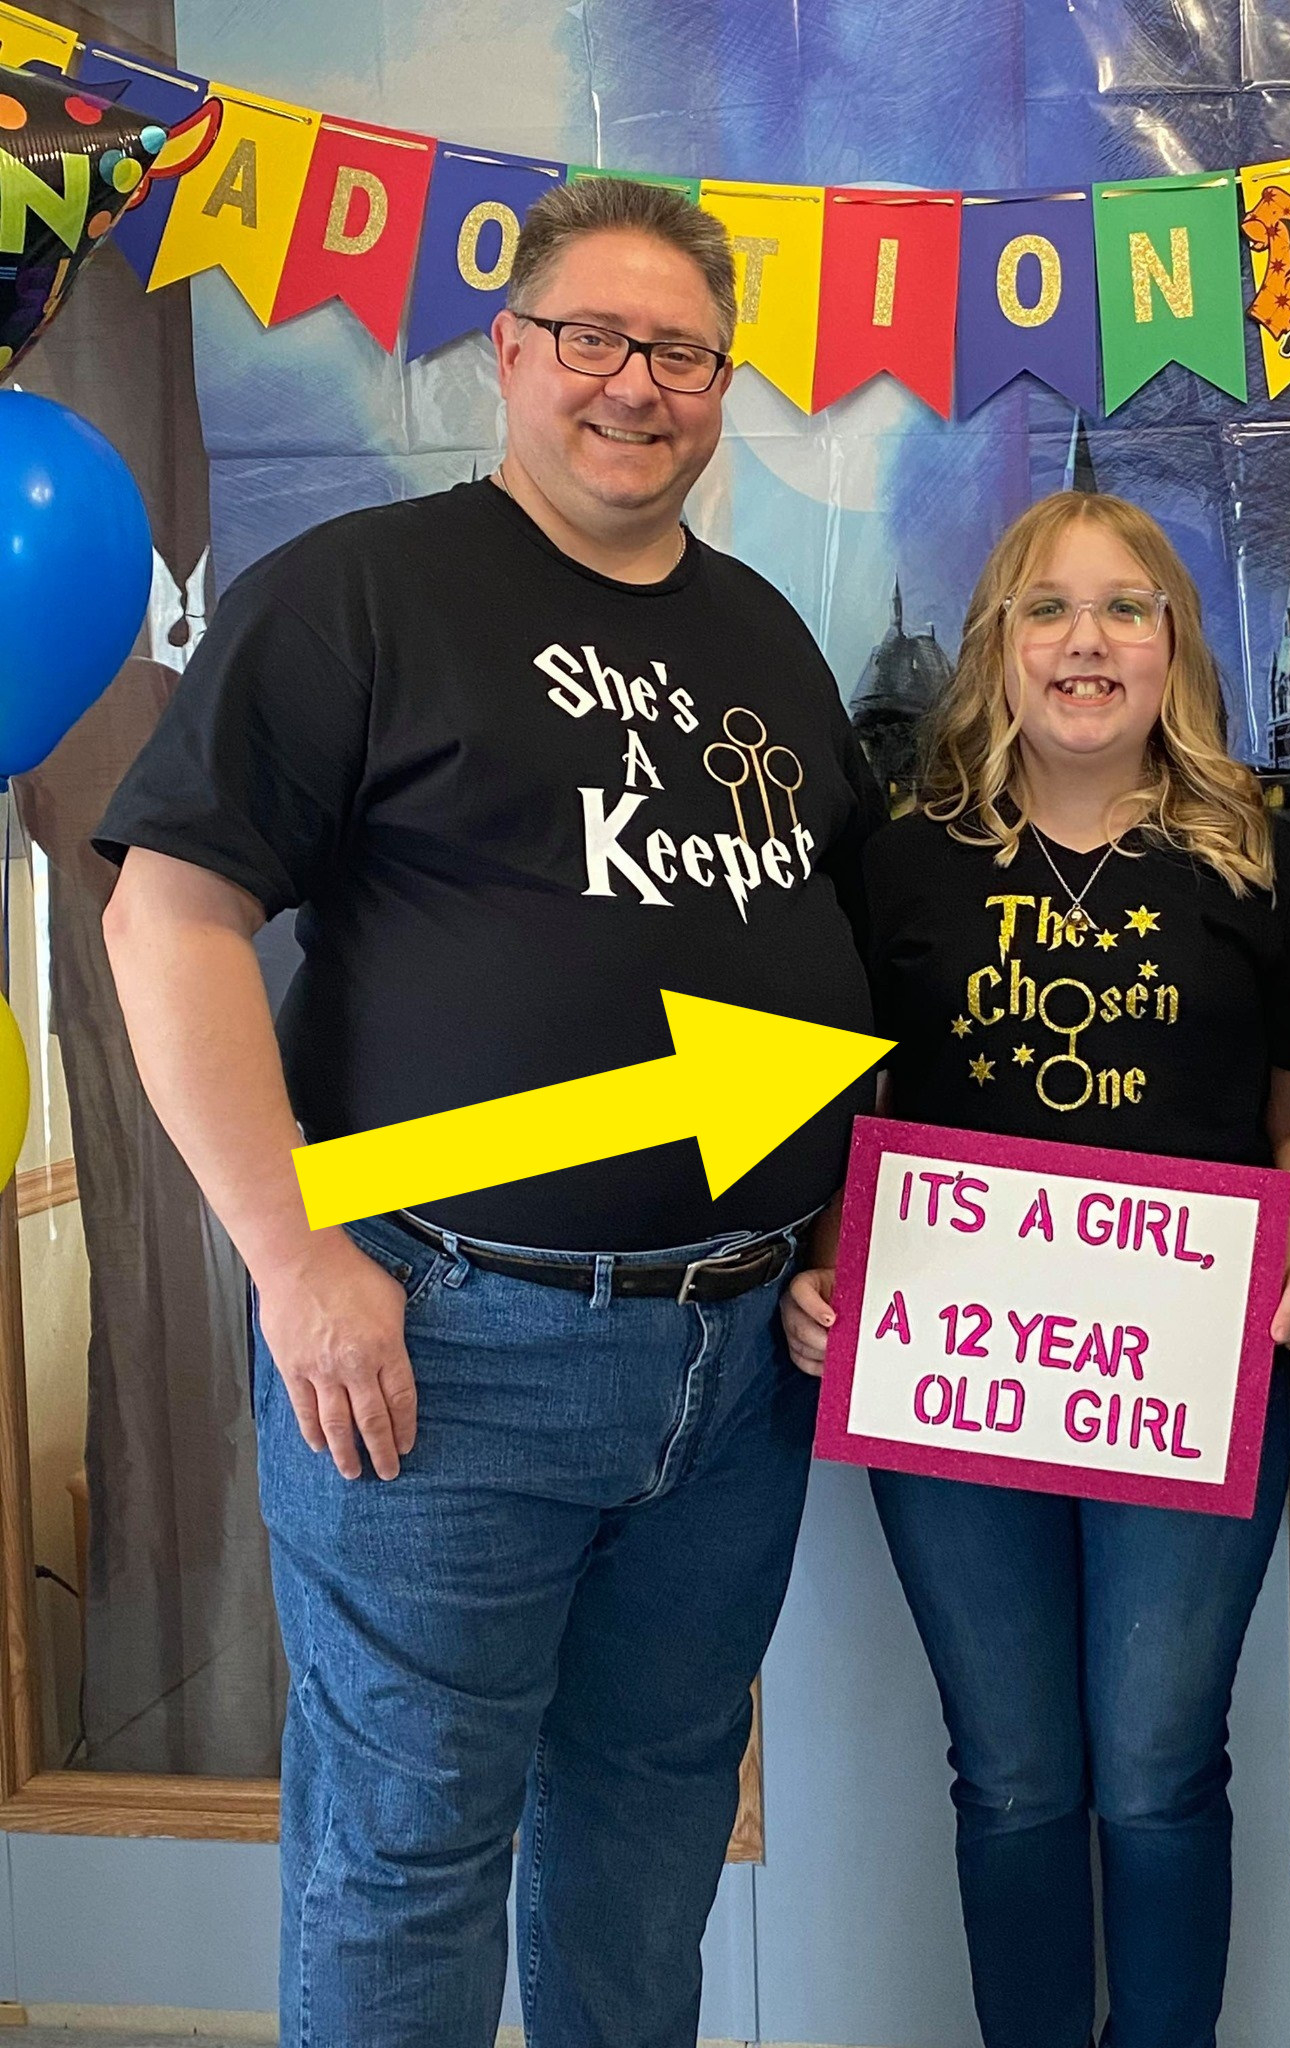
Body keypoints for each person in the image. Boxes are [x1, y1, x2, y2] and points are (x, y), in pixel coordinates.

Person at [96, 176, 884, 2048]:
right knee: (405, 1863)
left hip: (736, 1369)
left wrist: (837, 1239)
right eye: (592, 340)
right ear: (511, 357)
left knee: (649, 1842)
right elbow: (165, 912)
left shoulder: (765, 633)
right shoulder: (358, 594)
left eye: (680, 351)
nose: (636, 386)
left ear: (722, 385)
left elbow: (827, 961)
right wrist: (293, 1260)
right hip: (448, 1350)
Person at [782, 491, 1290, 2048]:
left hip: (1193, 1372)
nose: (1086, 639)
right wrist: (829, 1268)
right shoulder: (898, 864)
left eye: (1125, 606)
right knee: (1016, 1767)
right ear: (996, 651)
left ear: (1175, 647)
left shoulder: (1260, 865)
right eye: (1048, 607)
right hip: (957, 1374)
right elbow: (848, 1112)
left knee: (1160, 1762)